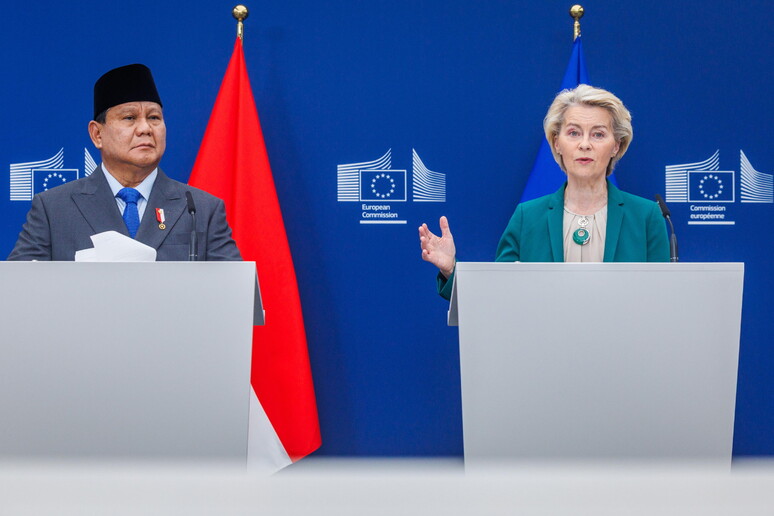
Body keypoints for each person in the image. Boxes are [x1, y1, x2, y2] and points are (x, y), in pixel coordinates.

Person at [419, 84, 669, 299]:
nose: (585, 144)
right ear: (557, 143)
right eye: (574, 133)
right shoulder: (527, 217)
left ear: (616, 145)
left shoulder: (646, 216)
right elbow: (498, 295)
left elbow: (663, 298)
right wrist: (450, 269)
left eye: (598, 134)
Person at [8, 63, 241, 261]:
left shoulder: (200, 209)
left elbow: (234, 292)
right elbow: (20, 289)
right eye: (130, 118)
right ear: (97, 134)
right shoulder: (53, 209)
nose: (145, 129)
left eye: (154, 118)